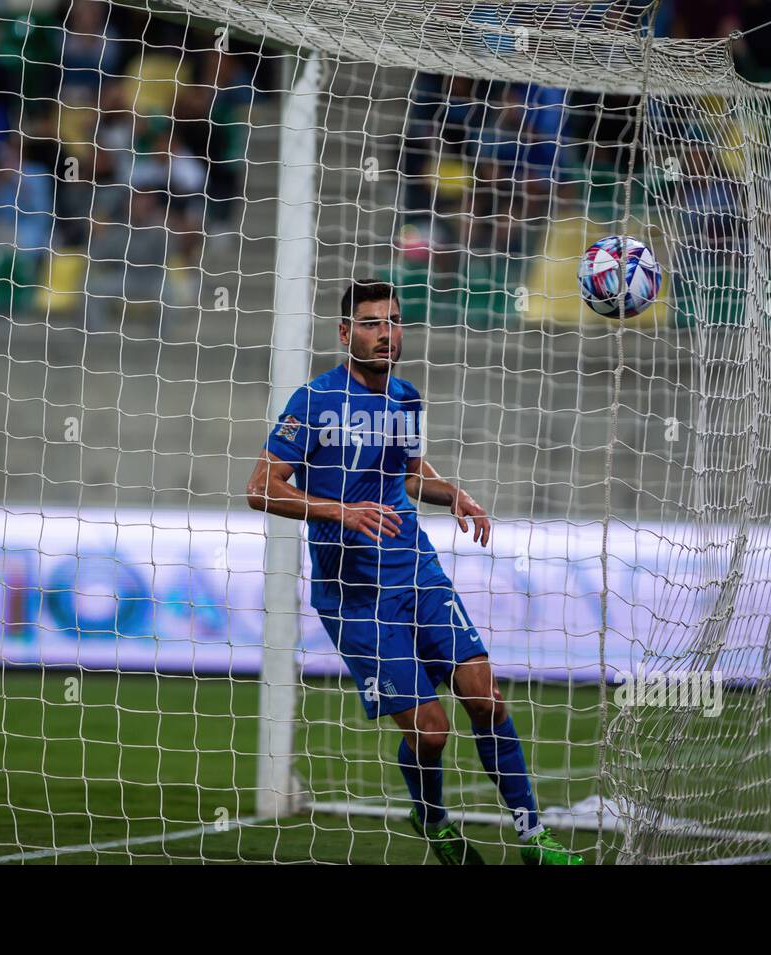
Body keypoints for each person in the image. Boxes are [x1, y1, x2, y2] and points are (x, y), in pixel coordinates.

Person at [245, 279, 583, 865]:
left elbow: (406, 473)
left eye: (394, 322)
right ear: (346, 332)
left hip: (417, 570)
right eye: (372, 323)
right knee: (431, 731)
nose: (386, 334)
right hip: (354, 593)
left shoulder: (405, 397)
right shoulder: (313, 401)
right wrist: (340, 510)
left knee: (487, 700)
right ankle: (432, 818)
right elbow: (260, 488)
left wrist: (451, 493)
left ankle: (534, 837)